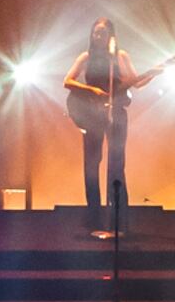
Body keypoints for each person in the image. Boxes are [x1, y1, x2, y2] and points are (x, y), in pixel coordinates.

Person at [63, 18, 147, 233]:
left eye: (102, 33)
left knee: (116, 164)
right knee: (92, 165)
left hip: (116, 114)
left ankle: (118, 220)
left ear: (111, 35)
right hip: (92, 115)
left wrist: (156, 72)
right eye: (95, 33)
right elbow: (68, 81)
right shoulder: (86, 57)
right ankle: (93, 219)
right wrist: (93, 91)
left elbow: (135, 82)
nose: (98, 36)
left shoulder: (120, 56)